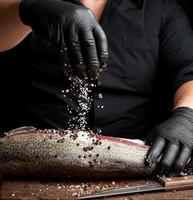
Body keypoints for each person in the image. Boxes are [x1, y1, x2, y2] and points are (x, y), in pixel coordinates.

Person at [1, 0, 193, 176]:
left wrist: (187, 115)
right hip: (28, 167)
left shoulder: (160, 8)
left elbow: (188, 69)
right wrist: (27, 9)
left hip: (135, 168)